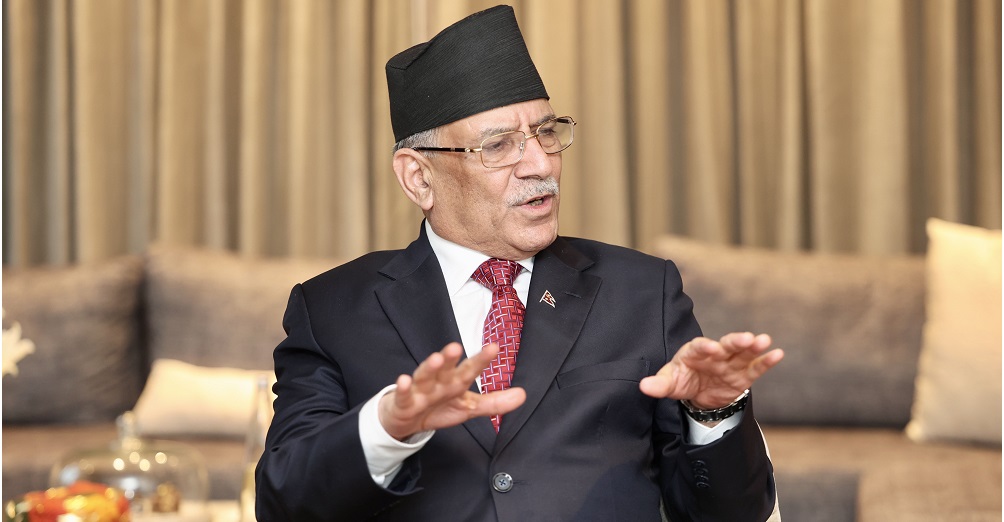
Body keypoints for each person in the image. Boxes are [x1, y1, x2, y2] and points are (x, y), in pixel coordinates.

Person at [255, 5, 784, 521]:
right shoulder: (333, 309)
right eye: (499, 145)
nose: (540, 164)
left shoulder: (643, 291)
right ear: (419, 178)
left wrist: (714, 414)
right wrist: (387, 428)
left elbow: (732, 514)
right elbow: (282, 503)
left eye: (546, 132)